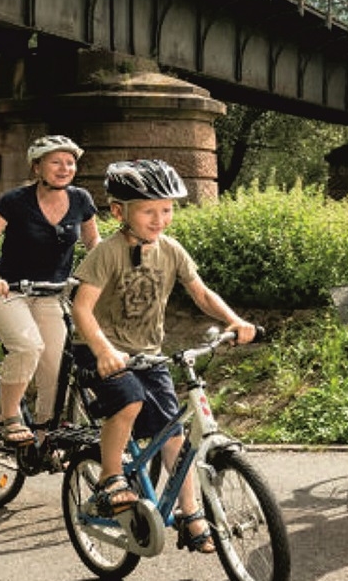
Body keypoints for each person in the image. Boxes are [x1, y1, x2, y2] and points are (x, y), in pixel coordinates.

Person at [72, 159, 256, 553]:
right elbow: (81, 308)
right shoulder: (107, 253)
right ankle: (110, 477)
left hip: (148, 353)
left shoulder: (171, 251)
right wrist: (103, 349)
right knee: (130, 400)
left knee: (173, 432)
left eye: (167, 209)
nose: (160, 219)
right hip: (99, 351)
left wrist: (235, 320)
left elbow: (201, 294)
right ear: (120, 212)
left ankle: (191, 516)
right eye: (149, 210)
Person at [0, 135, 101, 446]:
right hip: (6, 292)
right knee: (28, 347)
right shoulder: (14, 201)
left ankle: (45, 437)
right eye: (56, 162)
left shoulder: (81, 200)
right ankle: (8, 417)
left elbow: (95, 246)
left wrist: (102, 276)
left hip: (50, 295)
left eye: (70, 162)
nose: (65, 168)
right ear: (37, 167)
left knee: (56, 369)